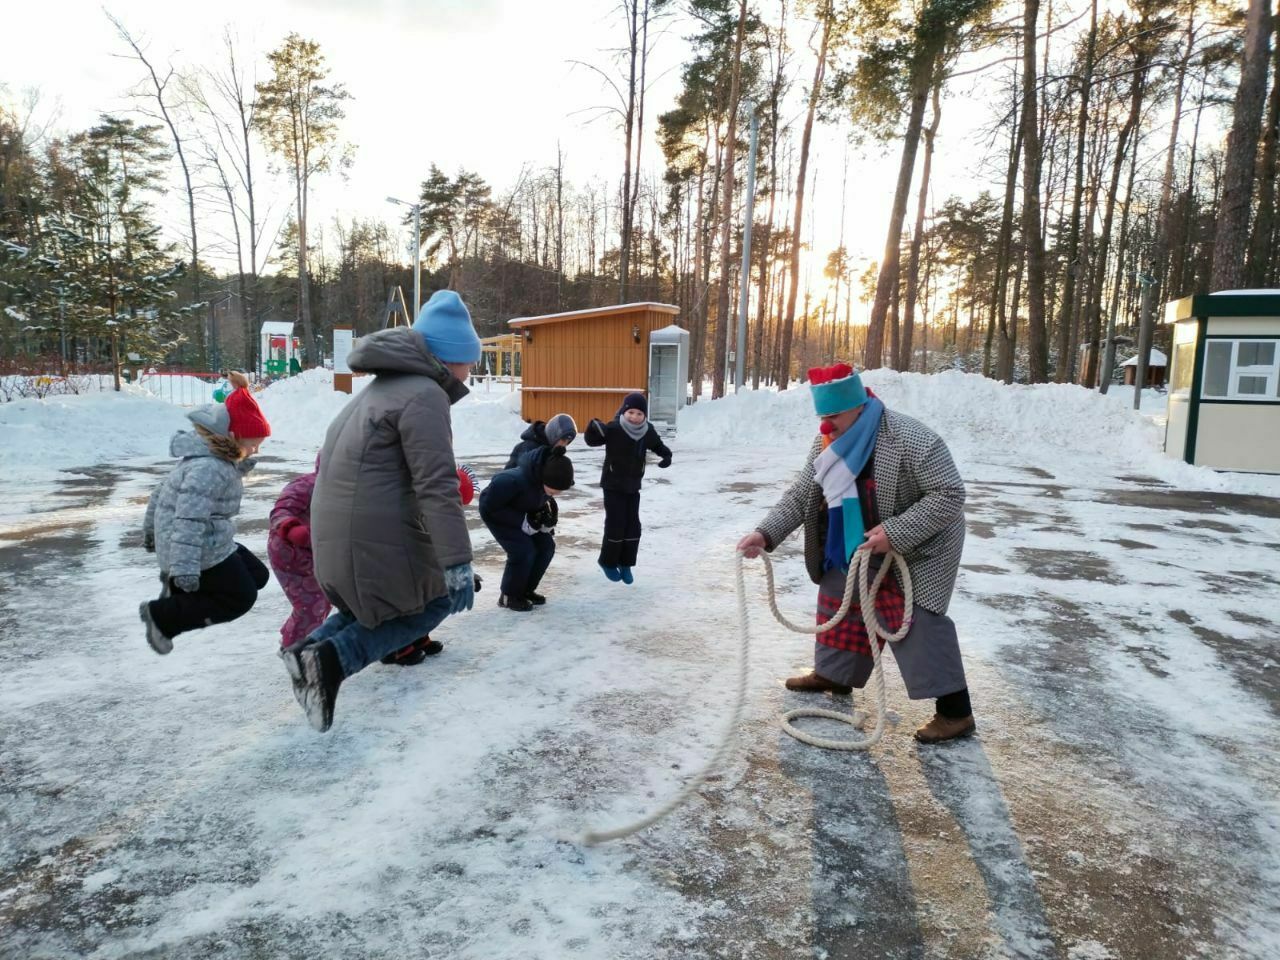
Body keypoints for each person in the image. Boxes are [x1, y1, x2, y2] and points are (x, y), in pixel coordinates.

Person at [736, 363, 975, 744]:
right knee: (838, 598)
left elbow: (950, 495)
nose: (825, 426)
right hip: (853, 541)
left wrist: (895, 533)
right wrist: (765, 533)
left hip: (919, 547)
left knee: (913, 621)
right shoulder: (826, 443)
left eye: (832, 416)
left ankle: (955, 711)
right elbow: (802, 493)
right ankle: (835, 674)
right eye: (821, 417)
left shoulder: (910, 438)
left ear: (858, 407)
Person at [283, 289, 480, 732]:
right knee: (432, 603)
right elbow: (437, 484)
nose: (471, 372)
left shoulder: (379, 391)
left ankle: (307, 653)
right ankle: (331, 661)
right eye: (470, 360)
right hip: (368, 537)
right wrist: (457, 563)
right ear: (450, 357)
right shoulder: (424, 395)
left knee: (371, 608)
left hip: (338, 537)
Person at [268, 456, 479, 665]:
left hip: (331, 552)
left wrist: (456, 568)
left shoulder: (365, 492)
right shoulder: (312, 485)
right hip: (291, 555)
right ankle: (296, 650)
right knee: (314, 605)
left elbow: (433, 545)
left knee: (418, 589)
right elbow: (282, 510)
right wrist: (293, 530)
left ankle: (412, 639)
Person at [139, 371, 271, 654]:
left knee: (258, 575)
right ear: (233, 437)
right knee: (241, 597)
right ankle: (163, 616)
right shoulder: (210, 469)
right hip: (196, 549)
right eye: (253, 443)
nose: (257, 449)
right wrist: (183, 569)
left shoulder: (210, 460)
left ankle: (177, 593)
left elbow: (160, 492)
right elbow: (188, 520)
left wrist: (151, 534)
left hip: (204, 540)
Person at [584, 392, 672, 584]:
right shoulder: (614, 428)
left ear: (644, 416)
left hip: (633, 486)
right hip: (613, 485)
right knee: (616, 524)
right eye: (631, 412)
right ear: (624, 412)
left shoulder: (647, 431)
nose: (634, 417)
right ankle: (607, 562)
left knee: (633, 526)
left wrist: (666, 455)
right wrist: (593, 429)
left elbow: (657, 444)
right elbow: (593, 441)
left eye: (639, 414)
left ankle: (626, 563)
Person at [478, 445, 574, 611]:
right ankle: (509, 596)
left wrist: (545, 520)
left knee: (546, 546)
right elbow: (489, 505)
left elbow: (537, 500)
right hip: (497, 514)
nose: (556, 493)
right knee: (523, 550)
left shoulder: (545, 478)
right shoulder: (511, 480)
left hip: (522, 512)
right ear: (544, 479)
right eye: (554, 490)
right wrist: (522, 521)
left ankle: (525, 590)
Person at [505, 413, 577, 468]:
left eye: (568, 442)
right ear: (554, 435)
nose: (564, 445)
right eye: (563, 440)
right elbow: (525, 475)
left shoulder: (551, 449)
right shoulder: (529, 449)